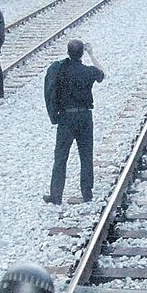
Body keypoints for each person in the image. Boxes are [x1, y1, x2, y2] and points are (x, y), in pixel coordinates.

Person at [43, 39, 106, 204]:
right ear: (82, 54)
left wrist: (54, 114)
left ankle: (56, 196)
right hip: (85, 116)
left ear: (68, 52)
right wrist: (92, 54)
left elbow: (50, 90)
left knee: (61, 157)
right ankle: (87, 193)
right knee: (86, 155)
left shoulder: (59, 69)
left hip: (66, 117)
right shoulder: (88, 71)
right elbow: (102, 74)